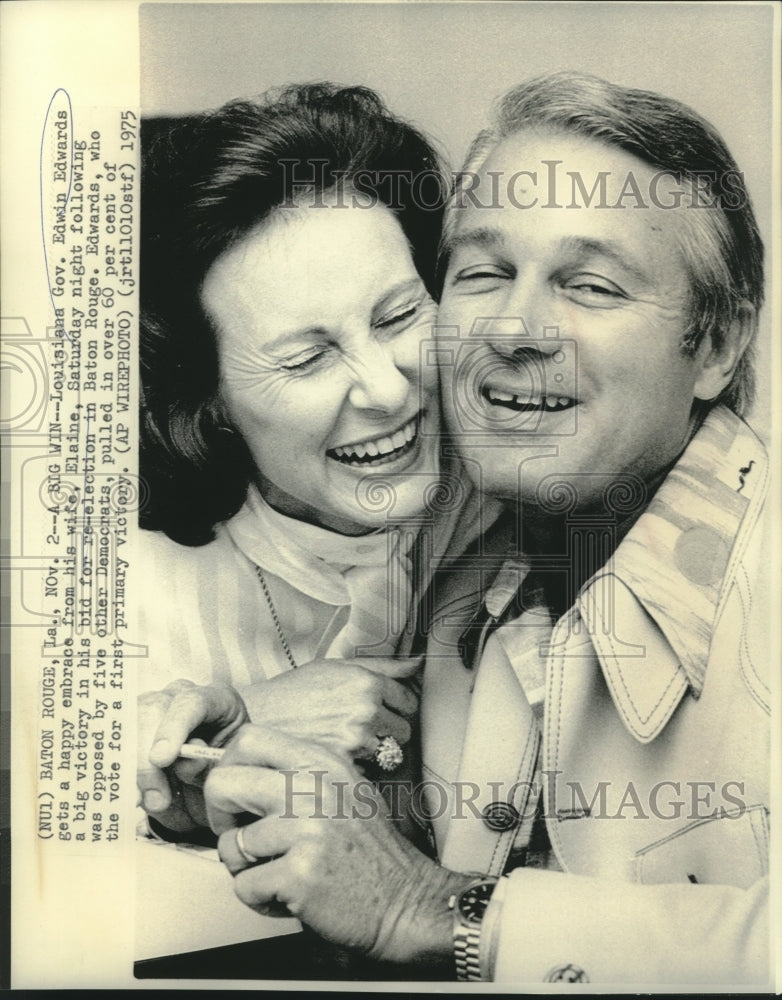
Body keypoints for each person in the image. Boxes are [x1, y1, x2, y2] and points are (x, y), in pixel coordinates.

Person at [204, 72, 772, 985]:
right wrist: (237, 760)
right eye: (483, 272)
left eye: (591, 285)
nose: (514, 327)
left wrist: (433, 911)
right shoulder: (460, 577)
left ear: (715, 344)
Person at [136, 83, 457, 837]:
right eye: (308, 359)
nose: (387, 390)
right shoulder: (121, 584)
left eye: (401, 315)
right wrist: (232, 738)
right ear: (206, 397)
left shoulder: (526, 496)